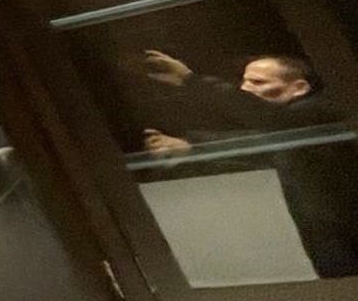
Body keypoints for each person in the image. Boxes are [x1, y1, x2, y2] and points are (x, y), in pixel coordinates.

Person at [138, 50, 357, 278]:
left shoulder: (317, 112)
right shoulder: (290, 130)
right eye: (244, 81)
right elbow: (259, 146)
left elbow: (270, 128)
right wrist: (190, 147)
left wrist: (190, 80)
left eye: (258, 82)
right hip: (329, 239)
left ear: (299, 87)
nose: (246, 89)